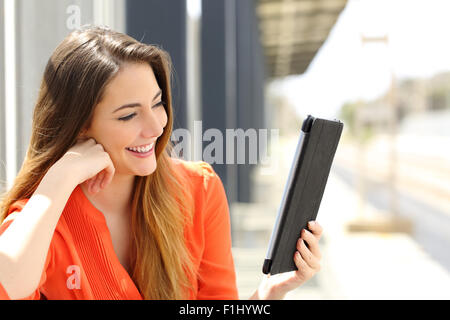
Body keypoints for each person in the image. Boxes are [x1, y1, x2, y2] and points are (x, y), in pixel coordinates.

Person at [0, 25, 323, 300]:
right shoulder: (43, 217)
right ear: (79, 124)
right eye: (129, 115)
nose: (156, 128)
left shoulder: (199, 190)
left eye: (157, 104)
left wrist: (269, 293)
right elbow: (8, 284)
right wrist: (60, 177)